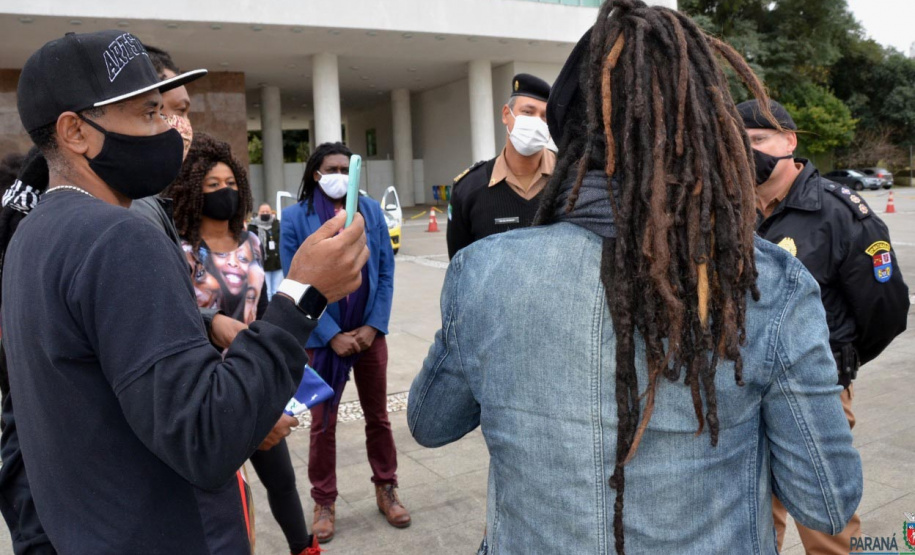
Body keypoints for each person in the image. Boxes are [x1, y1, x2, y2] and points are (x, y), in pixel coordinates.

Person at [408, 2, 862, 553]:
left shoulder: (482, 272)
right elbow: (828, 500)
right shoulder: (767, 281)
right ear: (707, 127)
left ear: (569, 132)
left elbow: (431, 423)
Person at [0, 30, 368, 553]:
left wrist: (211, 326)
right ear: (74, 132)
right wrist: (303, 294)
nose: (170, 130)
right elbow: (205, 436)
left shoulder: (30, 234)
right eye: (149, 114)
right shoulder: (118, 236)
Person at [738, 98, 909, 554]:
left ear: (789, 142)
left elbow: (886, 310)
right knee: (752, 514)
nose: (747, 151)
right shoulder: (734, 210)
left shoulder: (841, 214)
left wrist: (840, 362)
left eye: (758, 140)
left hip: (817, 391)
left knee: (826, 523)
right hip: (743, 388)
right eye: (738, 143)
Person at [164, 132, 316, 555]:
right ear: (193, 190)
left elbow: (265, 310)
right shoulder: (181, 251)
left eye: (230, 184)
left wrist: (279, 384)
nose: (224, 192)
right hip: (209, 388)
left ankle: (304, 548)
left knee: (282, 481)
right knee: (227, 497)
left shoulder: (251, 241)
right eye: (212, 186)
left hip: (254, 378)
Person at [281, 142, 405, 544]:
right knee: (323, 424)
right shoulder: (294, 218)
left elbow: (384, 271)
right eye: (330, 168)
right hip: (323, 340)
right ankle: (324, 500)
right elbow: (295, 282)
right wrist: (330, 334)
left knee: (378, 418)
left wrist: (372, 326)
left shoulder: (371, 212)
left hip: (369, 335)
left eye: (345, 167)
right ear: (316, 174)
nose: (339, 174)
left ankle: (386, 487)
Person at [446, 73, 556, 259]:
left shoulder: (574, 181)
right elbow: (459, 269)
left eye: (544, 117)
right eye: (528, 112)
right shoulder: (469, 189)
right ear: (506, 114)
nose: (537, 122)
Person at [250, 202, 284, 300]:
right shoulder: (253, 227)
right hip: (262, 264)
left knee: (277, 290)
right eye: (263, 211)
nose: (265, 213)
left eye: (267, 211)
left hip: (277, 263)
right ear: (258, 213)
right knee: (267, 291)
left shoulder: (277, 224)